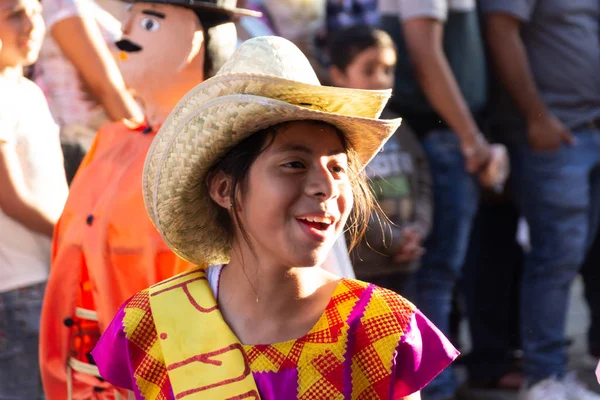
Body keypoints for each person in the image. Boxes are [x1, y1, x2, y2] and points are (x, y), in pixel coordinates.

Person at [92, 35, 459, 400]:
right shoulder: (154, 325)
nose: (325, 187)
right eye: (294, 164)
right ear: (224, 189)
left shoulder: (380, 332)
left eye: (336, 167)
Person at [38, 1, 260, 398]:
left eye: (149, 22)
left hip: (173, 373)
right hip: (86, 373)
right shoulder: (111, 140)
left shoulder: (214, 154)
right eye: (127, 20)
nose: (125, 34)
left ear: (202, 40)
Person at [378, 1, 509, 398]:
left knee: (438, 276)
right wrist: (472, 140)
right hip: (440, 139)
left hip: (445, 138)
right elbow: (425, 53)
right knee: (433, 275)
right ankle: (434, 389)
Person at [479, 0, 600, 399]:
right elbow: (500, 29)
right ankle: (544, 378)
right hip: (554, 135)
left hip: (590, 128)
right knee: (556, 256)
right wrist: (537, 117)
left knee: (583, 254)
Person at [327, 25, 432, 297]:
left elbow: (422, 179)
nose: (381, 80)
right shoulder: (338, 134)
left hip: (406, 259)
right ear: (338, 75)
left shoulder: (399, 125)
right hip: (365, 267)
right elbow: (346, 192)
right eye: (369, 70)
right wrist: (393, 241)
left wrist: (418, 229)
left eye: (388, 70)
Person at [0, 0, 69, 397]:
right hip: (17, 288)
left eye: (37, 11)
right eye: (13, 14)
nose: (31, 24)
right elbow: (11, 199)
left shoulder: (26, 90)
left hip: (46, 276)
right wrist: (74, 233)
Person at [35, 0, 144, 184]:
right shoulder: (62, 5)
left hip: (100, 145)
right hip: (91, 148)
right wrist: (150, 149)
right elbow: (107, 88)